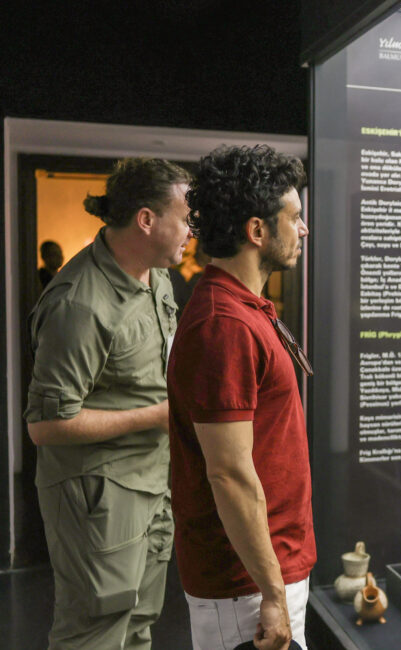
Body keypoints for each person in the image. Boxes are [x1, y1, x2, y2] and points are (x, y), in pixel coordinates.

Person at [24, 158, 192, 649]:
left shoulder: (156, 278)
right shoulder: (79, 303)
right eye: (184, 217)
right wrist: (159, 417)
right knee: (94, 635)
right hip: (98, 497)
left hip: (151, 484)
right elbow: (46, 426)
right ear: (146, 220)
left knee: (139, 626)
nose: (190, 230)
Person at [167, 144, 314, 650]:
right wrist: (272, 593)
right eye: (294, 218)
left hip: (262, 572)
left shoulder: (243, 309)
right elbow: (228, 473)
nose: (304, 230)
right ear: (257, 231)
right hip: (246, 586)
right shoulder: (223, 325)